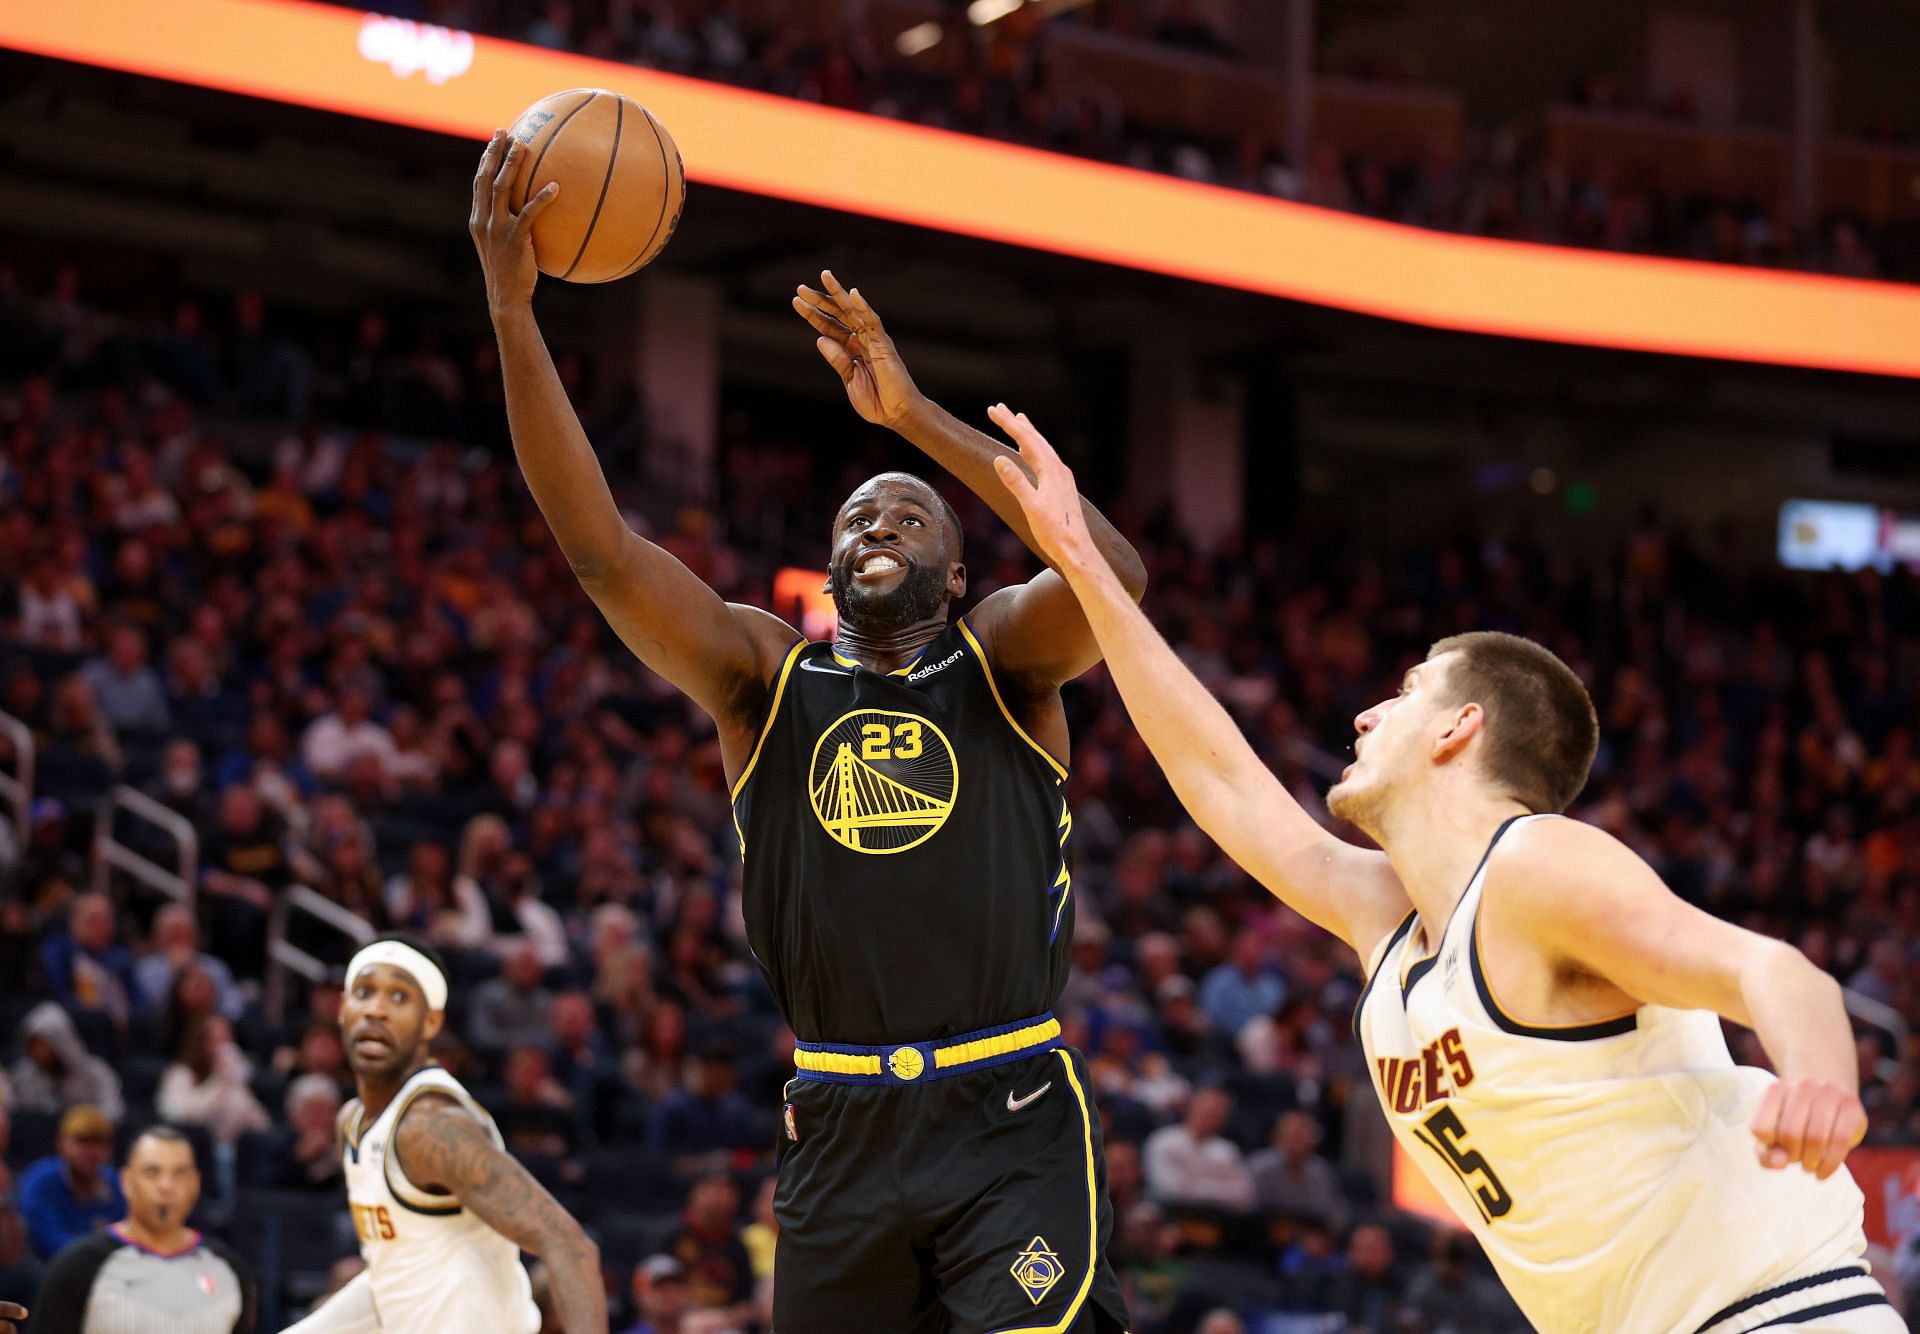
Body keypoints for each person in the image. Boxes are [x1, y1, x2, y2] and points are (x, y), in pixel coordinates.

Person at [990, 408, 1902, 1331]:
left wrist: (1823, 1080)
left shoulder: (1537, 868)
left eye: (1405, 694)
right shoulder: (1387, 916)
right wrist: (1082, 566)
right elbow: (1223, 781)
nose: (1365, 717)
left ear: (1460, 728)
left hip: (1777, 1312)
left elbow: (1773, 969)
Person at [472, 127, 1145, 1332]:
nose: (879, 517)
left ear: (951, 571)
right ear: (831, 566)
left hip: (1006, 1106)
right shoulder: (761, 677)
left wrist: (916, 420)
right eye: (857, 513)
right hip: (840, 1124)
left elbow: (1114, 574)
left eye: (909, 512)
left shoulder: (1003, 658)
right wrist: (516, 316)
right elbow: (598, 551)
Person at [282, 935, 604, 1332]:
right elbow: (393, 1273)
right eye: (364, 992)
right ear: (344, 1010)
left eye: (399, 997)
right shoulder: (352, 1121)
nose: (377, 1011)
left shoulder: (431, 1127)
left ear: (431, 1022)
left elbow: (570, 1245)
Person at [31, 1125, 255, 1333]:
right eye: (152, 1172)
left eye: (179, 1173)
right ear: (126, 1182)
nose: (166, 1187)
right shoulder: (78, 1266)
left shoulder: (230, 1270)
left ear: (195, 1184)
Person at [18, 1107, 124, 1261]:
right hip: (52, 1270)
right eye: (82, 1142)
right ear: (62, 1144)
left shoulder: (115, 1185)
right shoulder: (42, 1181)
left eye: (99, 1143)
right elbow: (47, 1240)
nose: (91, 1152)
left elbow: (128, 1236)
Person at [7, 1005, 123, 1120]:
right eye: (32, 1046)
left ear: (60, 1041)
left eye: (42, 1045)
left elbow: (114, 1109)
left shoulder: (95, 1072)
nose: (37, 1052)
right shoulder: (21, 1078)